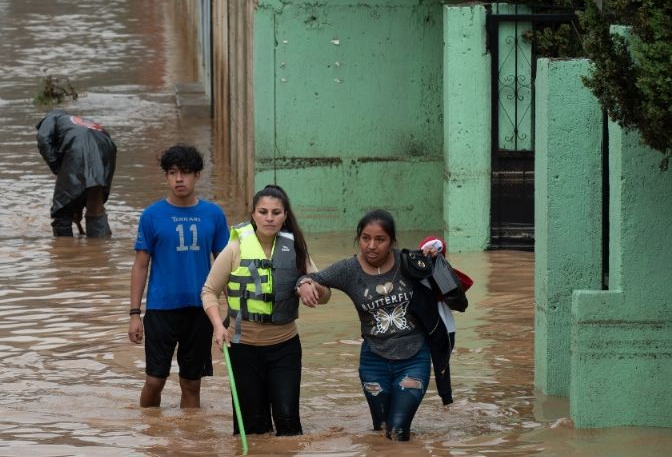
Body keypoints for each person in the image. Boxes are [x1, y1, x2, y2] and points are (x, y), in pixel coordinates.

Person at [297, 209, 451, 441]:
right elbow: (309, 278)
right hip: (373, 362)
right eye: (366, 238)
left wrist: (434, 249)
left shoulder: (407, 262)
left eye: (380, 239)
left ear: (391, 241)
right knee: (380, 429)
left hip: (414, 358)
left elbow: (437, 251)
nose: (371, 245)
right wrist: (305, 285)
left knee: (398, 431)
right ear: (359, 238)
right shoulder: (348, 270)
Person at [202, 185, 329, 437]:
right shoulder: (234, 249)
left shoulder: (296, 249)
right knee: (251, 428)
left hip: (285, 348)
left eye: (276, 212)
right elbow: (208, 291)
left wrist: (309, 285)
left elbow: (325, 294)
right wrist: (218, 325)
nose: (269, 218)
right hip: (242, 348)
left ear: (284, 216)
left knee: (288, 421)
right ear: (253, 214)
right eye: (263, 212)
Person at [128, 145, 230, 408]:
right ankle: (149, 434)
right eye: (172, 173)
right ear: (166, 177)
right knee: (154, 380)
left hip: (200, 310)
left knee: (191, 384)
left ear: (197, 175)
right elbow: (140, 265)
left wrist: (232, 310)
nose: (179, 179)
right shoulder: (152, 215)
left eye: (185, 173)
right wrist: (134, 314)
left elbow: (225, 263)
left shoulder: (214, 214)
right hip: (161, 309)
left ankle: (191, 443)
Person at [35, 109, 117, 237]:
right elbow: (82, 185)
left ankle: (65, 251)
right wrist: (76, 206)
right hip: (107, 147)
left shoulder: (52, 118)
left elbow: (43, 138)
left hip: (79, 147)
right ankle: (100, 249)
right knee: (95, 203)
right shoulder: (82, 122)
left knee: (61, 211)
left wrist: (56, 168)